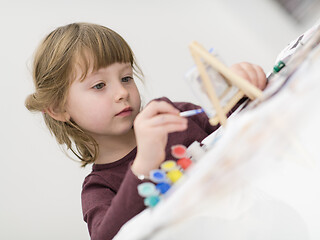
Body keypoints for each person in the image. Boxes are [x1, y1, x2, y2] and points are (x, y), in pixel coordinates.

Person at [25, 22, 267, 240]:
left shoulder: (173, 115)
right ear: (58, 109)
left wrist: (242, 88)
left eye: (126, 78)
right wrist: (143, 167)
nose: (122, 92)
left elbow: (237, 125)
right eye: (99, 85)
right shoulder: (99, 188)